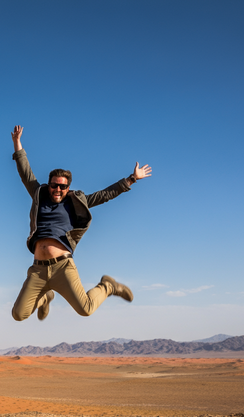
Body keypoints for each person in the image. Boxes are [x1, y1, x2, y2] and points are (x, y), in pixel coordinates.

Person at [11, 125, 152, 322]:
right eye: (54, 185)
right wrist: (17, 143)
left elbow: (104, 195)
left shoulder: (75, 202)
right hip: (37, 269)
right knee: (19, 314)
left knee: (86, 309)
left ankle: (107, 286)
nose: (58, 189)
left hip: (62, 267)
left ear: (68, 188)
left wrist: (131, 179)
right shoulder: (38, 195)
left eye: (63, 186)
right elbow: (25, 172)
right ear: (49, 184)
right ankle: (45, 298)